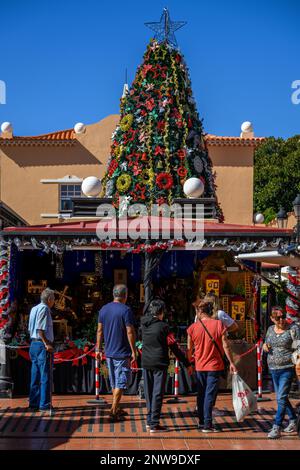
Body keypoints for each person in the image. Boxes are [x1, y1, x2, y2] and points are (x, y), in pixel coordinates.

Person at [141, 299, 193, 433]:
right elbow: (174, 347)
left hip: (146, 362)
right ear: (161, 312)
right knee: (158, 393)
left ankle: (149, 420)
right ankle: (154, 423)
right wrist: (186, 363)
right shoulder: (164, 327)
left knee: (149, 392)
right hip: (159, 362)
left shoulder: (144, 325)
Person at [187, 300, 237, 433]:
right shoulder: (219, 324)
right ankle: (207, 424)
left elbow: (189, 349)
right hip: (214, 366)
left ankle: (202, 421)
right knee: (209, 394)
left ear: (199, 312)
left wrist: (189, 363)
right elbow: (225, 345)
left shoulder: (192, 328)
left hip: (199, 365)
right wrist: (231, 362)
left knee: (201, 394)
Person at [96, 284, 136, 422]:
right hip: (122, 351)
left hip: (109, 352)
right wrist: (133, 350)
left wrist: (98, 349)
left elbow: (99, 331)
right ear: (125, 295)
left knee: (114, 382)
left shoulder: (103, 309)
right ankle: (113, 411)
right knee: (121, 381)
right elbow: (130, 331)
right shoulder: (126, 310)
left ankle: (116, 408)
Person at [263, 306, 300, 439]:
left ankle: (276, 427)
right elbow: (266, 343)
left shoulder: (293, 329)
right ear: (272, 319)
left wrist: (297, 366)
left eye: (283, 316)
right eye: (278, 318)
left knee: (280, 398)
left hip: (287, 368)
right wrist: (264, 346)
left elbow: (298, 348)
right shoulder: (270, 330)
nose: (281, 320)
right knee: (281, 397)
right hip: (273, 368)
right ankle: (293, 420)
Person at [28, 288, 55, 411]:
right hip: (41, 345)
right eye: (53, 299)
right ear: (49, 299)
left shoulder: (34, 308)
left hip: (33, 344)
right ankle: (44, 404)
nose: (54, 301)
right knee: (45, 375)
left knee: (35, 375)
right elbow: (40, 329)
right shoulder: (44, 309)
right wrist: (46, 344)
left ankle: (34, 403)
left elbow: (31, 329)